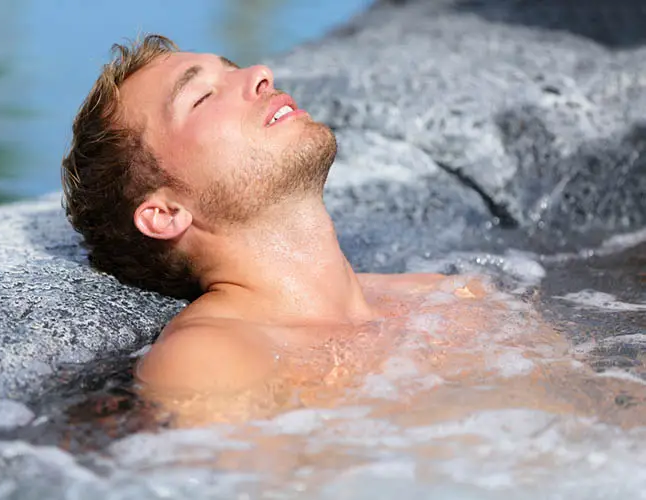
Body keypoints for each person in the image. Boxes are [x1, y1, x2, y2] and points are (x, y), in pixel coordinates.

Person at [61, 35, 644, 429]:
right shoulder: (213, 358)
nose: (260, 75)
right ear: (165, 213)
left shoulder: (456, 299)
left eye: (236, 69)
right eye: (204, 94)